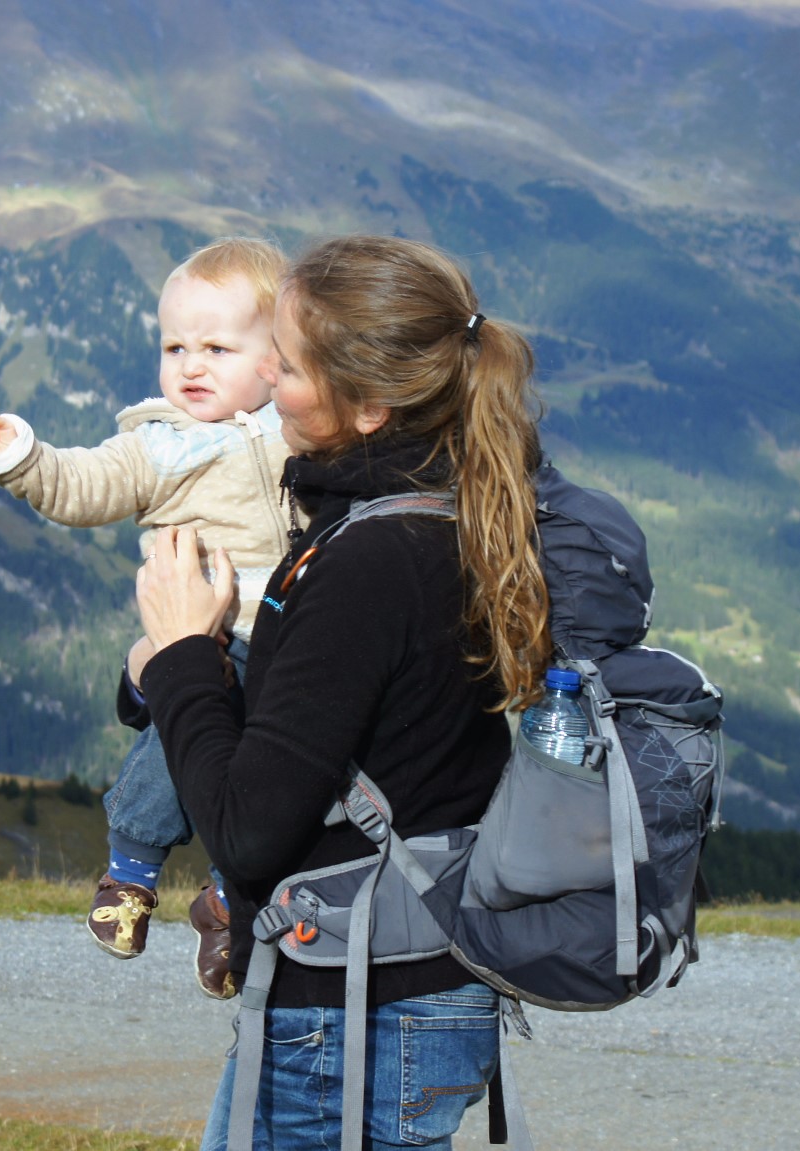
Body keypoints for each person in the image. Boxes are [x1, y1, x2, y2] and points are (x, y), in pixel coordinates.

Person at [129, 234, 550, 1150]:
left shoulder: (364, 565)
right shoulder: (447, 514)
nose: (267, 377)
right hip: (417, 982)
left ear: (366, 407)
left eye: (289, 365)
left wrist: (181, 654)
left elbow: (248, 832)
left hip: (352, 1014)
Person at [0, 237, 292, 983]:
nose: (190, 365)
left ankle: (230, 901)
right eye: (174, 346)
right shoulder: (159, 445)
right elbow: (82, 483)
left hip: (296, 631)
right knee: (178, 752)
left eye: (216, 346)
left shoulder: (296, 431)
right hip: (207, 635)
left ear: (278, 356)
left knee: (292, 758)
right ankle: (131, 869)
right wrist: (21, 457)